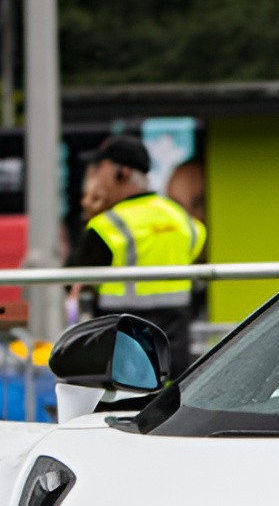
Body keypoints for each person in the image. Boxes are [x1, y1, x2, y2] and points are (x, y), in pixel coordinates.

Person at [68, 135, 208, 376]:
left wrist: (88, 215)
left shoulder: (107, 225)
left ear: (121, 173)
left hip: (125, 347)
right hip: (174, 351)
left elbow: (70, 277)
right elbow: (195, 248)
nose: (95, 177)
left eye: (100, 169)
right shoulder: (181, 218)